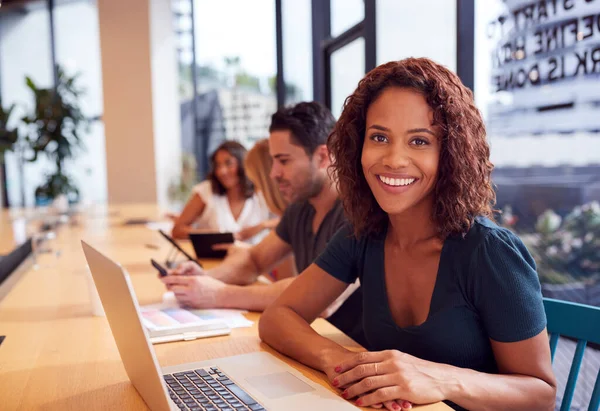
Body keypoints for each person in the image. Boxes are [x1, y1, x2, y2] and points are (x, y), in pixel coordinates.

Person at [258, 58, 556, 411]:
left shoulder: (489, 252)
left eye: (419, 141)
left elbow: (541, 394)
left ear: (451, 154)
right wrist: (342, 363)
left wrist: (439, 378)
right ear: (358, 147)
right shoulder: (363, 233)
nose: (394, 159)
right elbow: (277, 317)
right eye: (379, 137)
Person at [161, 102, 365, 344]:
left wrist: (219, 293)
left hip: (350, 349)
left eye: (284, 161)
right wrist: (209, 277)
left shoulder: (356, 215)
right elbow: (255, 259)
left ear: (322, 156)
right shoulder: (300, 208)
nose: (273, 173)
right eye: (273, 161)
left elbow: (318, 298)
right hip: (312, 339)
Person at [171, 141, 271, 244]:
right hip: (213, 259)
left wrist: (263, 225)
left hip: (253, 259)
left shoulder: (260, 193)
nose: (222, 171)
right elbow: (177, 230)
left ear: (243, 163)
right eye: (218, 165)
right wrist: (214, 236)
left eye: (228, 163)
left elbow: (284, 221)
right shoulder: (206, 191)